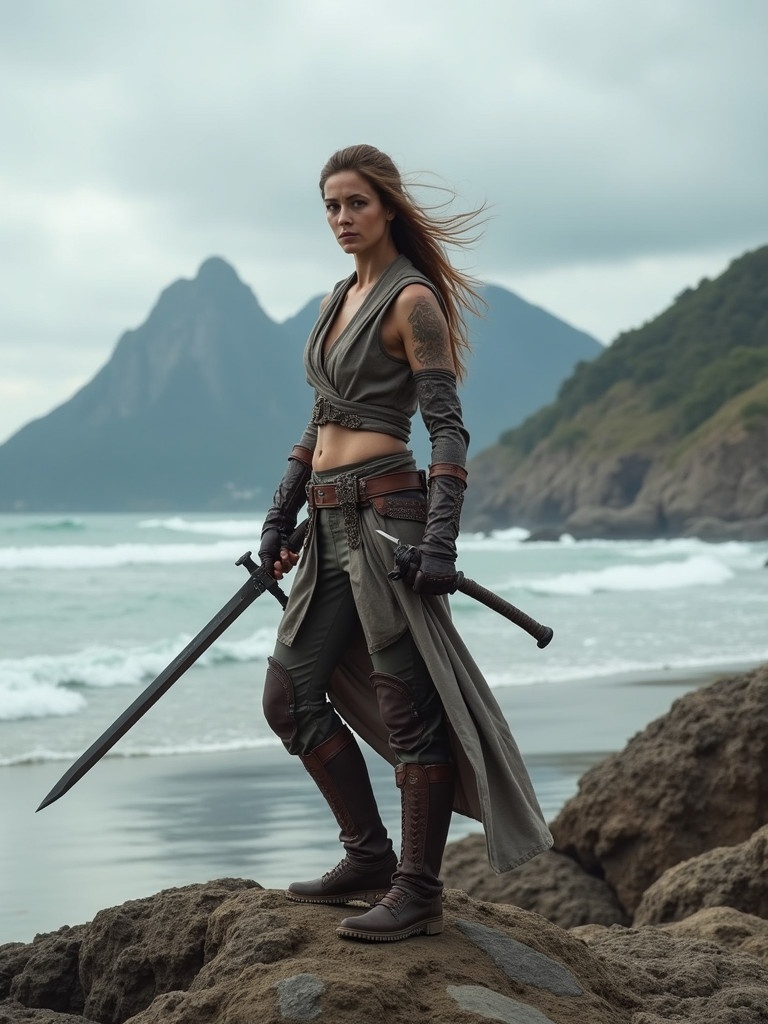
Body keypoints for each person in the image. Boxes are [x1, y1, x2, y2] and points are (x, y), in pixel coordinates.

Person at [258, 144, 552, 943]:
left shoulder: (410, 300)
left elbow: (447, 429)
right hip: (325, 525)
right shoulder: (335, 300)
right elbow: (317, 421)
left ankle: (419, 889)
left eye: (355, 203)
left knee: (407, 709)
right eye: (329, 206)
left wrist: (442, 542)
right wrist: (279, 516)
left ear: (386, 207)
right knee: (288, 698)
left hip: (390, 524)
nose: (341, 219)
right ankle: (368, 856)